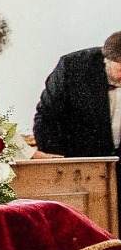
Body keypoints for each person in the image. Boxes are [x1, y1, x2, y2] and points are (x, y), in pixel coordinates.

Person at [33, 33, 121, 198]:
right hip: (80, 166)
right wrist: (58, 162)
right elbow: (46, 117)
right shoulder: (73, 67)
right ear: (107, 59)